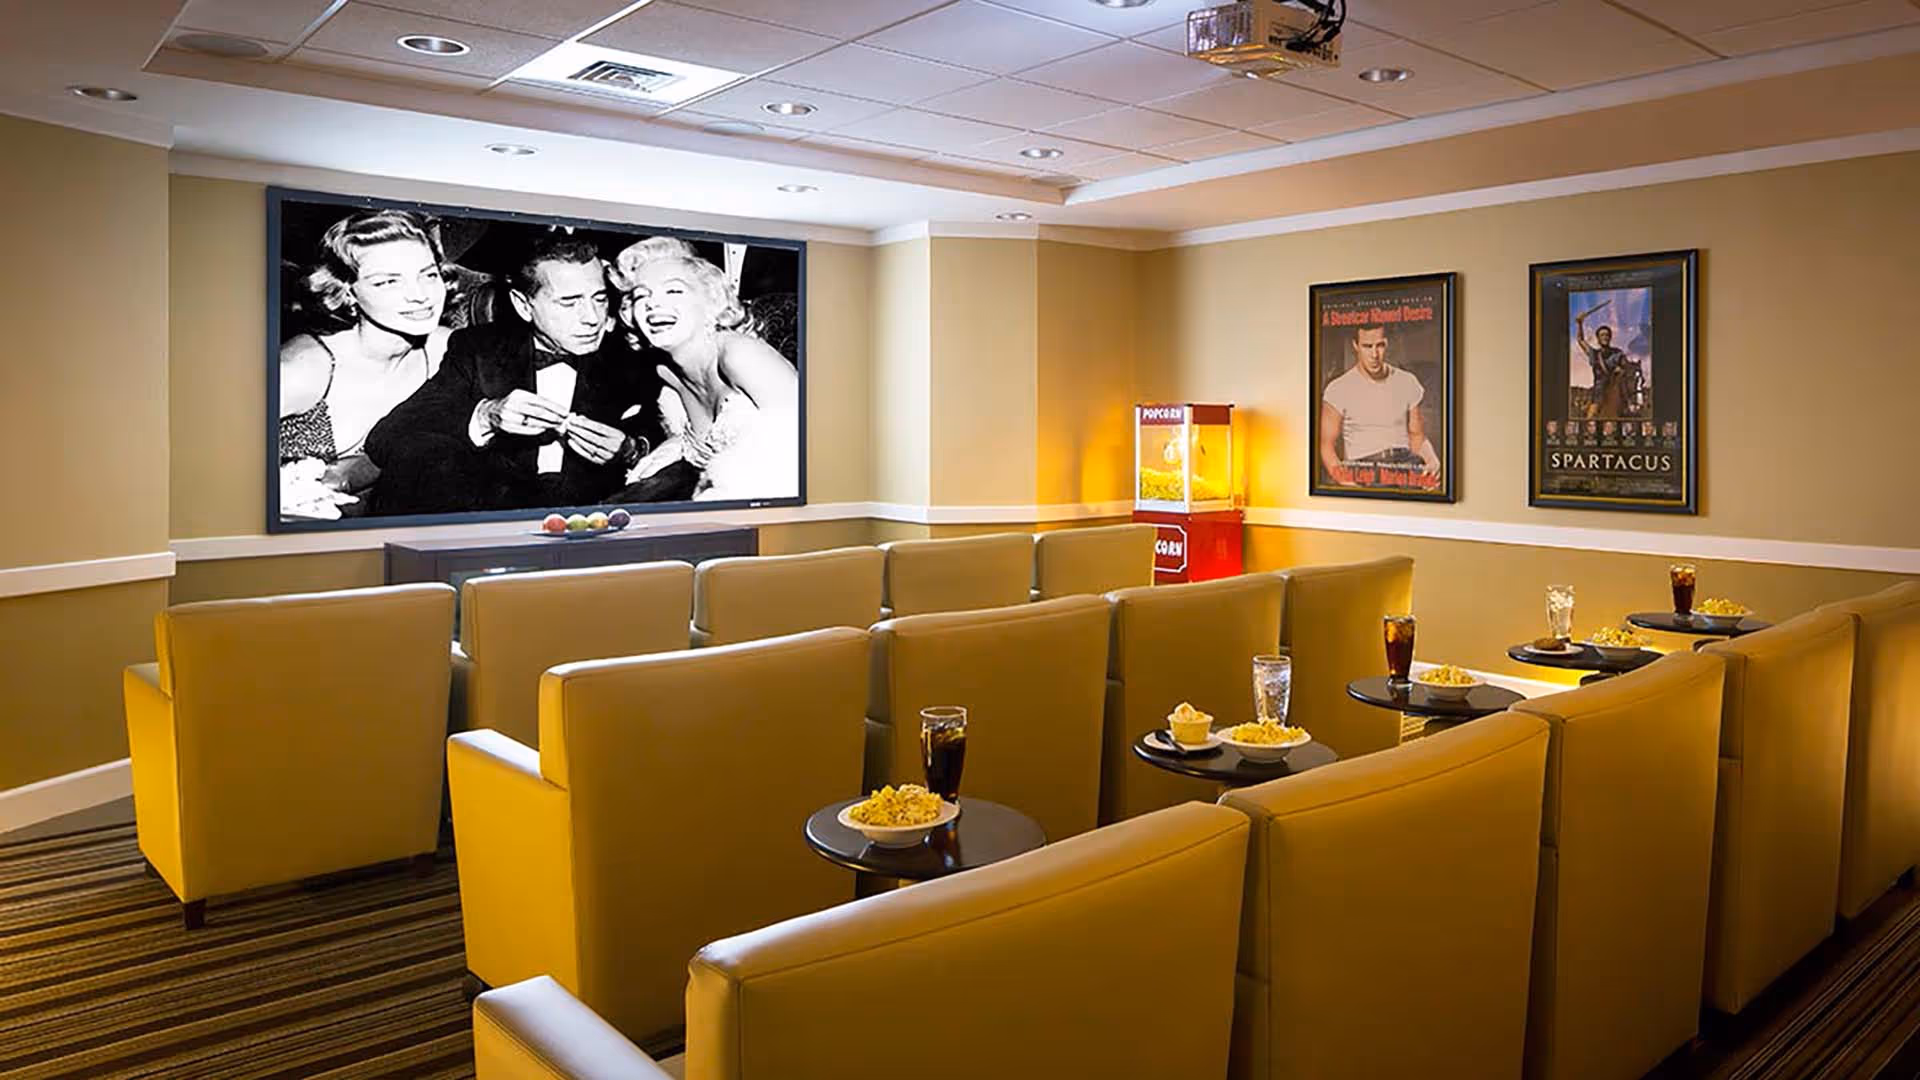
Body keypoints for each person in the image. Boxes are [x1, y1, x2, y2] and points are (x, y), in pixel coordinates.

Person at [364, 237, 672, 514]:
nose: (592, 318)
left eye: (600, 299)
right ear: (524, 305)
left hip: (596, 521)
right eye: (569, 302)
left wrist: (632, 449)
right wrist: (485, 416)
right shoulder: (479, 349)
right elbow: (386, 438)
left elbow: (667, 430)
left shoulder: (634, 354)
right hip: (495, 521)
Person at [278, 210, 452, 520]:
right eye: (388, 282)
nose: (420, 296)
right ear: (348, 291)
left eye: (428, 275)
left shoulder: (446, 350)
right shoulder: (300, 371)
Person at [612, 241, 799, 503]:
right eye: (641, 295)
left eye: (674, 290)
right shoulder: (666, 372)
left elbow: (809, 448)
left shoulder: (740, 354)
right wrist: (676, 447)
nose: (653, 303)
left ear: (712, 301)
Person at [1318, 324, 1440, 487]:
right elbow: (1326, 446)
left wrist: (1432, 460)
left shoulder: (1407, 381)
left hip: (1406, 464)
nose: (1374, 354)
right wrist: (1348, 485)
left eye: (1380, 345)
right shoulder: (1338, 388)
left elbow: (1417, 436)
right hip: (1366, 469)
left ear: (1387, 343)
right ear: (1356, 345)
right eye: (1367, 346)